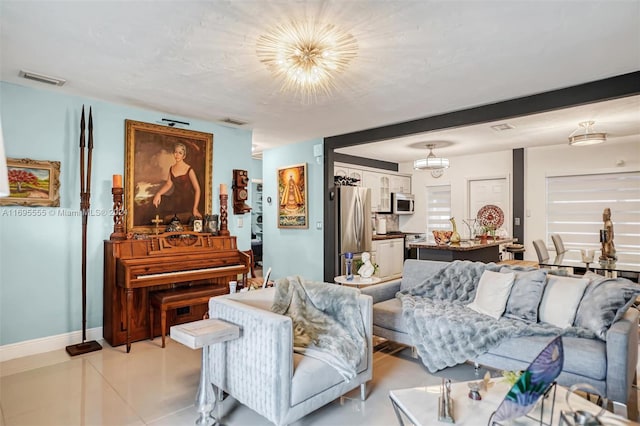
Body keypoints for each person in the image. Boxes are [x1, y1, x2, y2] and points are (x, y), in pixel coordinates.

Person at [152, 142, 201, 220]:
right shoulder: (171, 168)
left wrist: (195, 208)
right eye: (176, 152)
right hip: (175, 200)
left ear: (184, 156)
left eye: (180, 153)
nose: (177, 155)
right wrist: (159, 193)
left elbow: (197, 189)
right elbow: (168, 184)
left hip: (187, 202)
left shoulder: (189, 169)